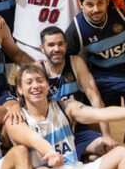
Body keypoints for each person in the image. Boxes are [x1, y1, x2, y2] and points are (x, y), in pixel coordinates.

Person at [65, 0, 125, 148]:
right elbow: (66, 60)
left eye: (100, 3)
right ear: (80, 4)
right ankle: (101, 161)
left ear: (107, 1)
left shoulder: (121, 12)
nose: (95, 9)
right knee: (94, 118)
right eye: (89, 4)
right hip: (101, 76)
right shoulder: (76, 28)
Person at [38, 26, 117, 161]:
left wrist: (107, 134)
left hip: (79, 131)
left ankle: (86, 159)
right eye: (51, 45)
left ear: (66, 45)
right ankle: (84, 159)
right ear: (42, 48)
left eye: (60, 44)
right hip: (51, 133)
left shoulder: (75, 63)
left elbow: (96, 99)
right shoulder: (37, 69)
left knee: (109, 152)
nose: (56, 49)